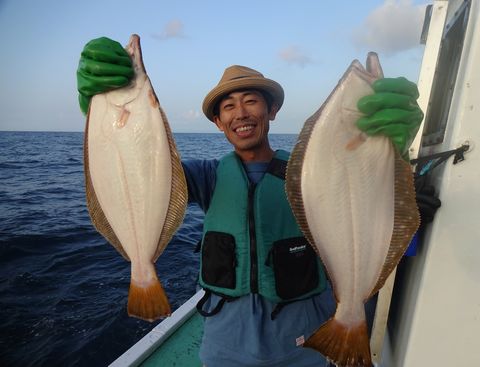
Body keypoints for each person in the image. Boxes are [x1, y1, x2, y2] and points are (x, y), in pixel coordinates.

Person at [77, 37, 436, 367]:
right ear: (219, 123)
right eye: (228, 106)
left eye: (251, 101)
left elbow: (358, 192)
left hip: (301, 346)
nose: (241, 113)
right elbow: (143, 177)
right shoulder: (208, 176)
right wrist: (102, 116)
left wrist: (392, 157)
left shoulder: (311, 172)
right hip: (224, 348)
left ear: (271, 111)